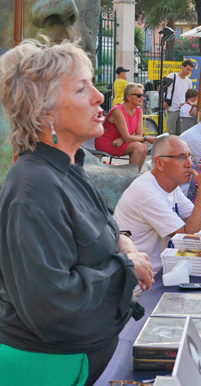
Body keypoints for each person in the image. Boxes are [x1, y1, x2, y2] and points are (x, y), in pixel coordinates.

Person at [0, 40, 153, 385]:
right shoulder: (34, 185)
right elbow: (51, 301)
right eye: (82, 89)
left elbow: (100, 226)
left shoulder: (68, 168)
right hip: (46, 369)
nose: (99, 97)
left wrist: (124, 242)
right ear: (46, 111)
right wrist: (127, 268)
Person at [114, 135, 201, 275]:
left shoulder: (171, 185)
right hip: (146, 283)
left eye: (190, 156)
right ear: (159, 163)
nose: (190, 163)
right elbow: (190, 237)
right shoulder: (146, 193)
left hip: (166, 270)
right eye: (181, 157)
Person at [95, 83, 154, 171]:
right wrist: (147, 138)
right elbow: (133, 138)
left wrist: (123, 139)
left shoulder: (138, 110)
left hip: (120, 141)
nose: (142, 98)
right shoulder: (118, 111)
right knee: (138, 146)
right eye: (138, 95)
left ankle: (136, 175)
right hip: (106, 142)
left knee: (144, 146)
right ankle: (130, 177)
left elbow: (139, 135)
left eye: (142, 95)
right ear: (128, 97)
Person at [163, 59, 194, 135]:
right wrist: (163, 101)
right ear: (182, 67)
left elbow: (189, 95)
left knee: (181, 133)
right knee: (171, 132)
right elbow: (161, 88)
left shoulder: (189, 81)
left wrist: (186, 103)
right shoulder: (172, 76)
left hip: (183, 110)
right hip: (172, 108)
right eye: (187, 69)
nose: (188, 72)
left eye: (190, 70)